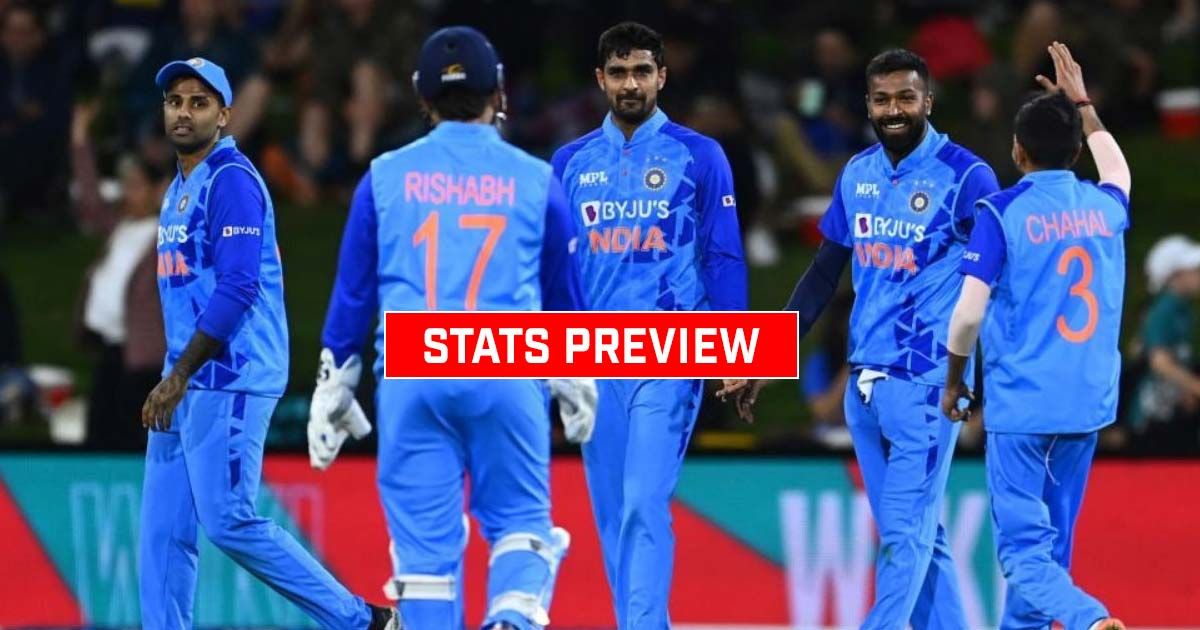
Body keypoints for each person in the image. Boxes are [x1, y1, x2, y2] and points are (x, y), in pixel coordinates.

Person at [307, 26, 594, 630]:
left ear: (421, 95)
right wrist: (574, 375)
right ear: (499, 93)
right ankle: (512, 615)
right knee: (520, 524)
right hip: (506, 365)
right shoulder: (536, 179)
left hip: (412, 369)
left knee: (423, 557)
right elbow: (564, 297)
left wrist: (334, 382)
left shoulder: (383, 177)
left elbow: (354, 295)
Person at [727, 49, 1000, 628]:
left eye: (906, 98)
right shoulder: (858, 173)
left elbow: (994, 286)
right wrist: (767, 355)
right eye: (882, 99)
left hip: (927, 385)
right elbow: (824, 272)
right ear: (868, 105)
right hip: (864, 388)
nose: (893, 110)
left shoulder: (967, 177)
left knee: (904, 537)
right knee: (919, 536)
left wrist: (981, 381)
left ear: (928, 101)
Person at [137, 56, 394, 629]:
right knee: (162, 533)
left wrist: (179, 375)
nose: (184, 113)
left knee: (227, 519)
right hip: (184, 378)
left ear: (225, 115)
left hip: (230, 374)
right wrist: (175, 375)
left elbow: (238, 286)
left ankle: (363, 621)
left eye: (199, 102)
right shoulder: (179, 185)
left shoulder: (231, 181)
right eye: (175, 101)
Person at [550, 21, 747, 629]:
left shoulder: (700, 156)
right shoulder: (569, 162)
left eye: (641, 71)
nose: (630, 84)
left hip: (671, 354)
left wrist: (736, 353)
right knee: (613, 514)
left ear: (662, 75)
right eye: (618, 73)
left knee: (643, 501)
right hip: (592, 360)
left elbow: (722, 256)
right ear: (600, 79)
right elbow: (552, 269)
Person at [941, 42, 1130, 630]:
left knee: (1023, 556)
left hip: (1023, 409)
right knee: (1052, 555)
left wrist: (955, 380)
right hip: (1087, 406)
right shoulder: (1106, 206)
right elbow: (1118, 170)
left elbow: (967, 317)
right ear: (1075, 151)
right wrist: (1082, 104)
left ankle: (1091, 620)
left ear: (1017, 151)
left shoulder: (1001, 214)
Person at [1127, 234, 1200, 450]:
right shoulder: (1164, 309)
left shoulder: (1184, 310)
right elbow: (1160, 363)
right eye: (1195, 270)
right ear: (1174, 275)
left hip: (1171, 412)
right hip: (1153, 417)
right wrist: (1195, 387)